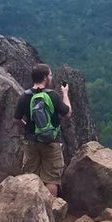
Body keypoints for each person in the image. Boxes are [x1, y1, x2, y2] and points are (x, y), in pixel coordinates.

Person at [15, 63, 72, 195]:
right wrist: (65, 93)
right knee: (51, 179)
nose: (51, 77)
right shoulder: (52, 96)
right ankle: (51, 210)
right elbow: (68, 113)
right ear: (45, 77)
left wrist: (28, 130)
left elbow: (16, 120)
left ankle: (31, 208)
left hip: (31, 142)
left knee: (30, 178)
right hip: (51, 142)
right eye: (50, 75)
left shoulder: (24, 96)